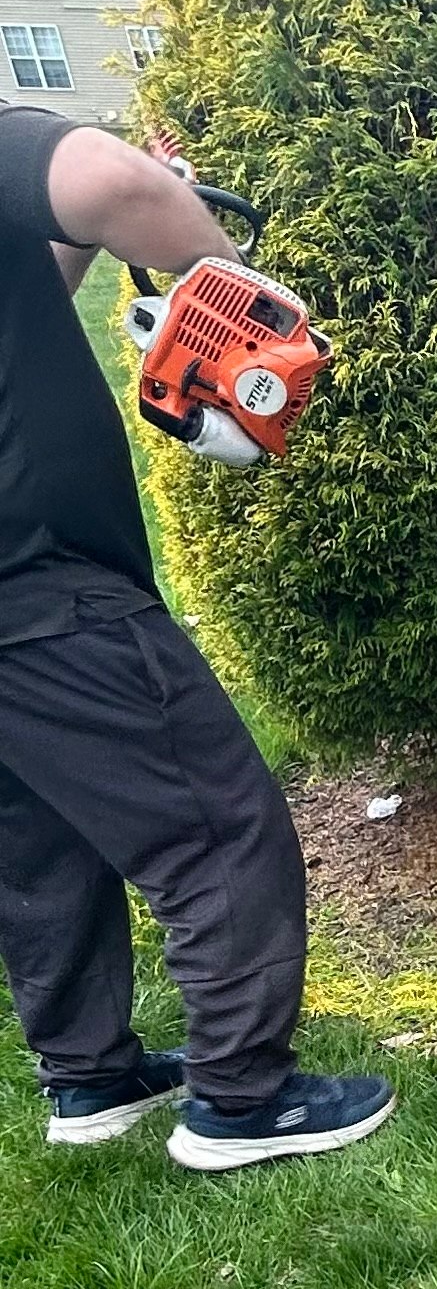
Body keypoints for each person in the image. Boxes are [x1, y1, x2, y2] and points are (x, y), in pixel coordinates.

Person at [0, 102, 394, 1167]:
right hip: (39, 583)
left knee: (43, 836)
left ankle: (89, 1077)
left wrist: (97, 224)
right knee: (214, 826)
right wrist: (232, 291)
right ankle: (242, 1100)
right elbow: (116, 185)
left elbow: (28, 289)